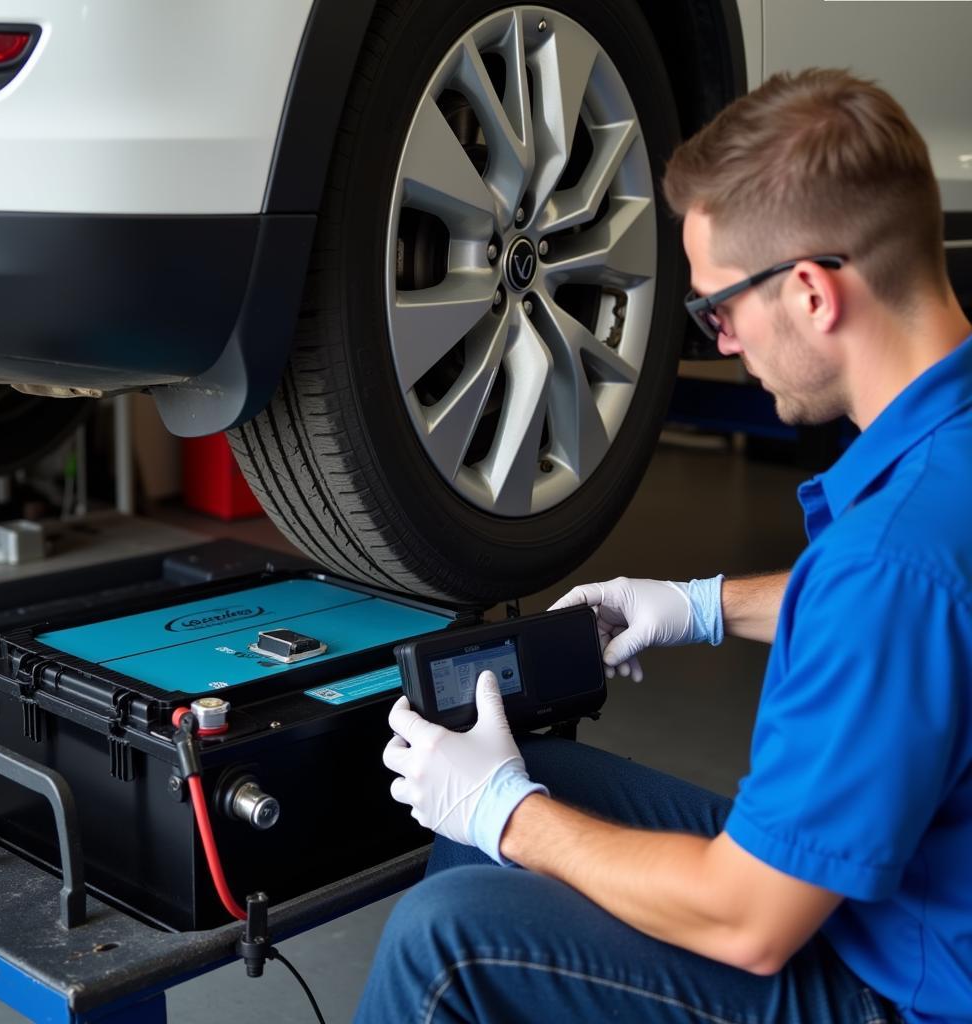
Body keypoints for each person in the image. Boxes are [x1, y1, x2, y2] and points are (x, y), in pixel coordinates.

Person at [355, 69, 972, 1024]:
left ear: (811, 293)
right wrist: (698, 602)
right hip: (915, 883)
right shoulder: (945, 468)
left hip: (898, 978)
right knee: (538, 771)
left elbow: (751, 922)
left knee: (447, 940)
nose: (722, 344)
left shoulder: (887, 565)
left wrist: (506, 814)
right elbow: (927, 618)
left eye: (718, 311)